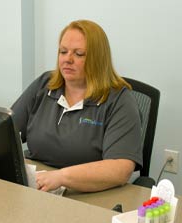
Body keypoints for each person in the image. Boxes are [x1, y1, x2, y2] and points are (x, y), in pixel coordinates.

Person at [11, 20, 143, 193]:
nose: (68, 59)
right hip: (39, 187)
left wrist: (61, 177)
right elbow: (5, 131)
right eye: (63, 52)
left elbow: (120, 168)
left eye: (79, 54)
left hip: (90, 194)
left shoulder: (119, 101)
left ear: (98, 59)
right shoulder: (45, 85)